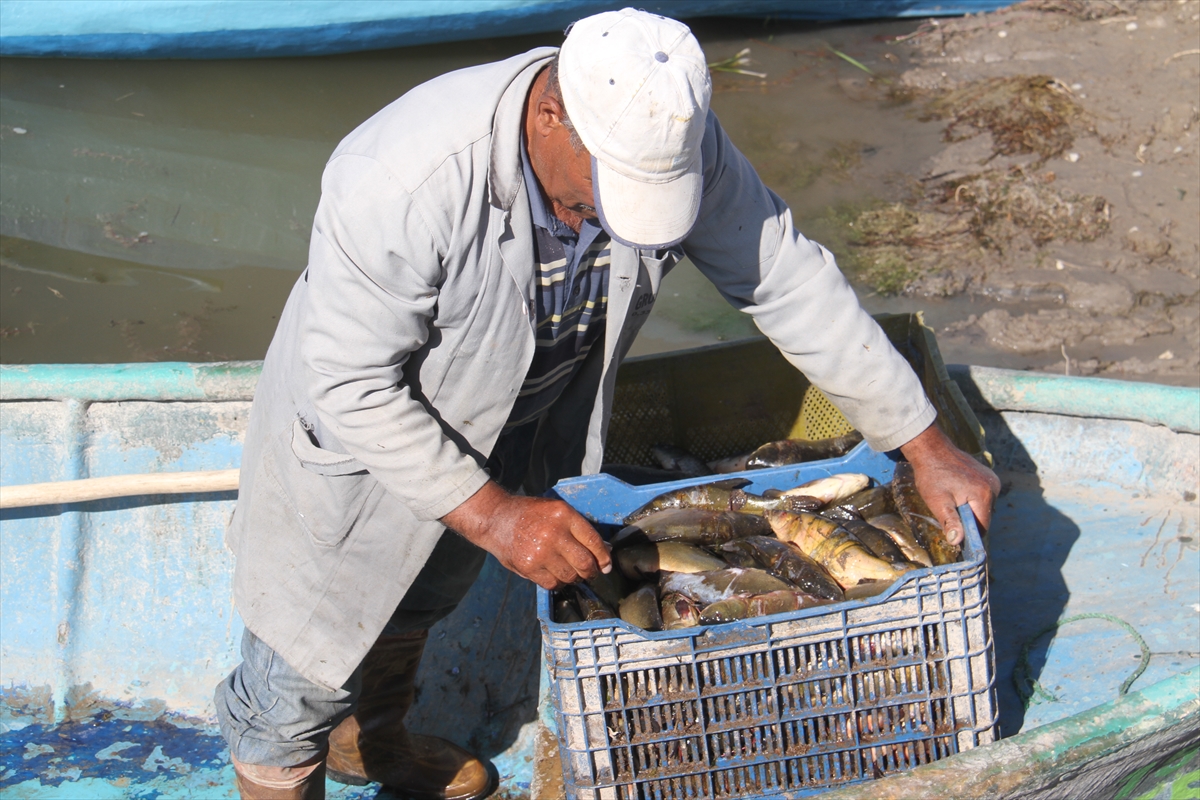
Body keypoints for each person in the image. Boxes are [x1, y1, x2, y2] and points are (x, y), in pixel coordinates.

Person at [214, 8, 1000, 799]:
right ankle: (306, 751)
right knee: (297, 676)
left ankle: (375, 741)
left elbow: (787, 280)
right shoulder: (402, 174)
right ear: (549, 114)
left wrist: (926, 445)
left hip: (517, 420)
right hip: (357, 435)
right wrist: (494, 515)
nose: (622, 213)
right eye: (609, 187)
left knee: (431, 591)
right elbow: (349, 381)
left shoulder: (674, 135)